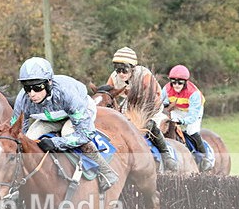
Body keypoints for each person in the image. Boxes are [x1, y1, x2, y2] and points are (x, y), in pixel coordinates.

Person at [13, 57, 118, 191]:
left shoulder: (67, 94)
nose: (32, 94)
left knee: (67, 132)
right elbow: (17, 132)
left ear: (49, 83)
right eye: (27, 88)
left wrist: (55, 142)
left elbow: (85, 133)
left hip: (80, 110)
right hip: (51, 116)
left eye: (37, 87)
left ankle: (106, 171)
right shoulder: (23, 100)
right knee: (29, 137)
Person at [103, 46, 177, 171]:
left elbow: (149, 99)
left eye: (124, 70)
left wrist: (134, 117)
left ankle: (167, 156)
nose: (121, 74)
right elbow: (108, 95)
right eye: (117, 70)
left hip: (151, 105)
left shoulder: (144, 75)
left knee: (149, 124)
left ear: (132, 68)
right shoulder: (114, 77)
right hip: (130, 103)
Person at [161, 64, 213, 172]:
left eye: (180, 82)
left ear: (185, 82)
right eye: (173, 81)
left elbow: (193, 116)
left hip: (193, 111)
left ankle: (205, 159)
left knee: (191, 131)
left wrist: (182, 121)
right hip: (177, 108)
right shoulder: (166, 89)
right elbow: (160, 102)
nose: (176, 85)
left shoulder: (194, 93)